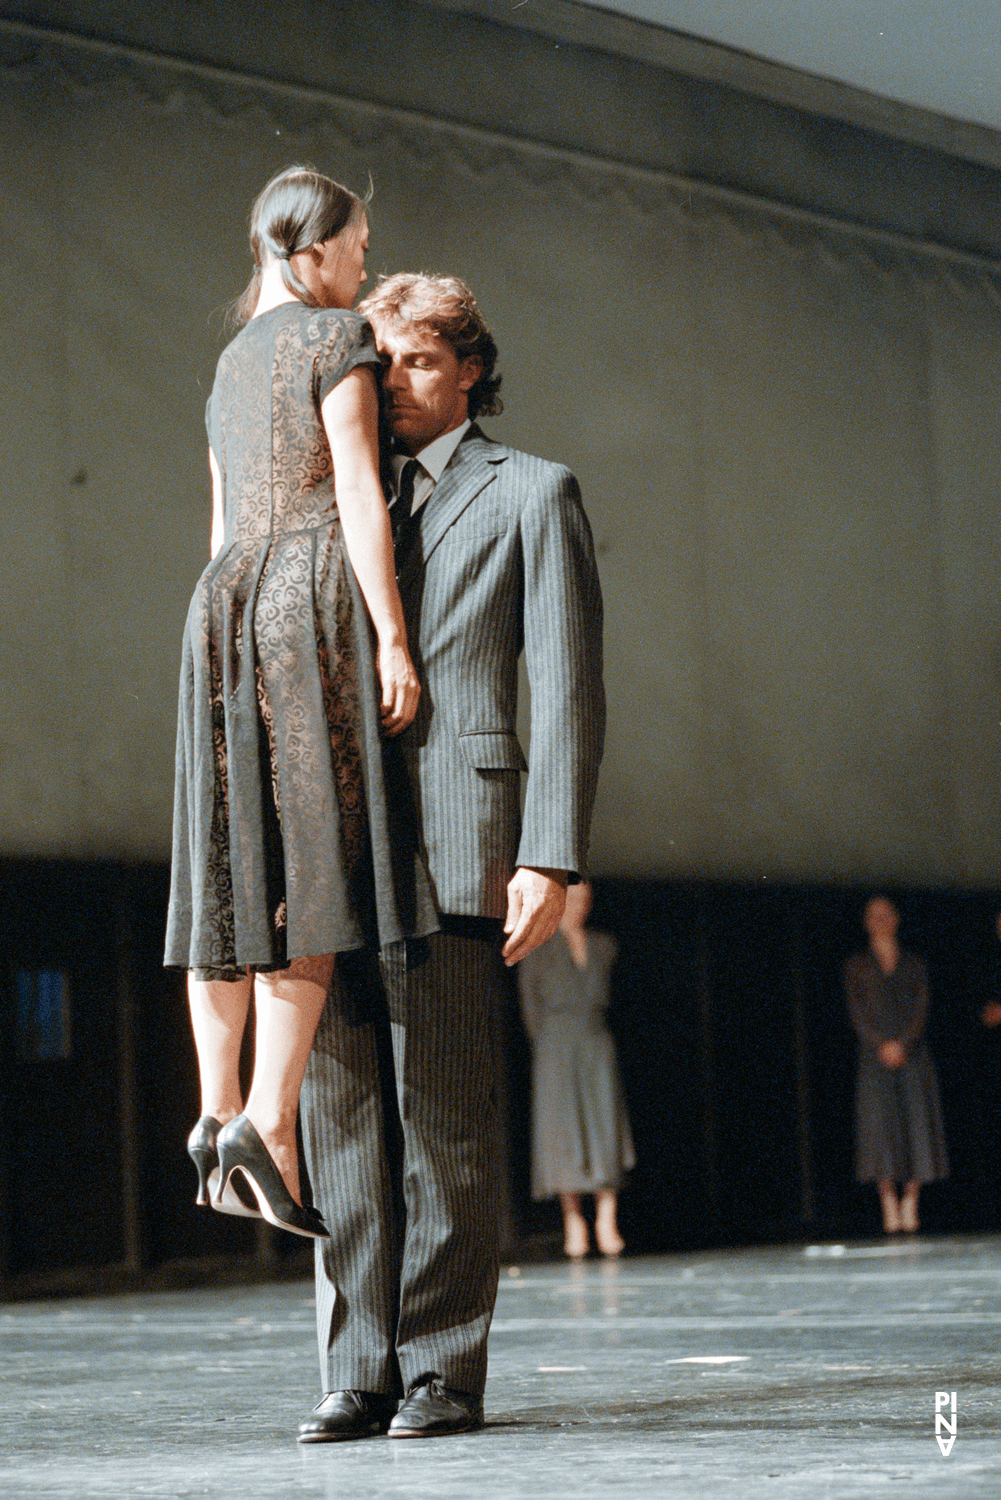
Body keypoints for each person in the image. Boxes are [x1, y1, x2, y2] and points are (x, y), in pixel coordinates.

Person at [296, 272, 605, 1442]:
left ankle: (438, 1369)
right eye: (378, 364)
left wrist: (550, 853)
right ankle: (357, 1366)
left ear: (468, 368)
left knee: (447, 1116)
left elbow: (567, 688)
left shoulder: (532, 492)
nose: (393, 385)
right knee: (341, 1109)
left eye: (417, 362)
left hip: (465, 833)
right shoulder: (337, 495)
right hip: (338, 839)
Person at [164, 166, 436, 1241]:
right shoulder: (335, 344)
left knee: (228, 868)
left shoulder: (227, 369)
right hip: (304, 600)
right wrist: (393, 636)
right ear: (310, 250)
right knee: (313, 864)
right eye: (358, 248)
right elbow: (359, 493)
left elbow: (223, 526)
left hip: (218, 612)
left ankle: (213, 1105)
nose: (364, 268)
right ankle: (269, 1124)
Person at [517, 881, 634, 1259]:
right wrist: (550, 1047)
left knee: (604, 1124)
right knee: (563, 1129)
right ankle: (573, 1220)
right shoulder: (538, 949)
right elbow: (530, 1011)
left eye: (586, 899)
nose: (580, 906)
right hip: (555, 1045)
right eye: (573, 899)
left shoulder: (604, 945)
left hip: (595, 1041)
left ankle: (606, 1218)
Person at [843, 896, 949, 1234]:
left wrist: (904, 1043)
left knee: (916, 1122)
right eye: (873, 915)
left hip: (912, 1054)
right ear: (866, 922)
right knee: (880, 1128)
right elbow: (856, 1013)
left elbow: (922, 1006)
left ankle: (911, 1200)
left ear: (896, 919)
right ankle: (888, 1202)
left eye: (886, 915)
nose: (880, 920)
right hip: (875, 1057)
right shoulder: (857, 965)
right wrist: (882, 1045)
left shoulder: (914, 963)